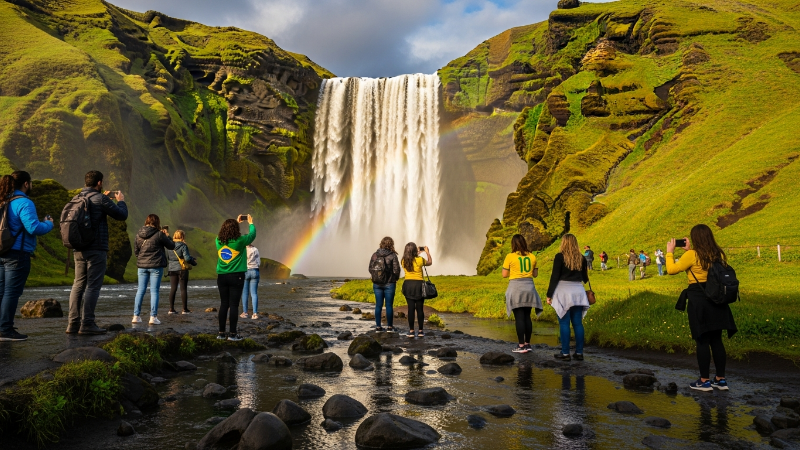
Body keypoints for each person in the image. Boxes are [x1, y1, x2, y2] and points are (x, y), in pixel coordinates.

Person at [666, 224, 737, 391]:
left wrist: (670, 252)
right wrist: (689, 251)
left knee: (702, 339)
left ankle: (704, 381)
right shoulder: (717, 253)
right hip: (717, 299)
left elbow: (671, 270)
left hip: (699, 299)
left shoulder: (692, 255)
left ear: (695, 238)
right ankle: (720, 380)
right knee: (717, 340)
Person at [67, 170, 128, 335]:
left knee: (78, 285)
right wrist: (121, 201)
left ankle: (72, 324)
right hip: (96, 248)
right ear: (99, 182)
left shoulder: (76, 198)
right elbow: (121, 215)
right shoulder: (100, 199)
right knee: (93, 286)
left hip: (78, 248)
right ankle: (87, 324)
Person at [0, 171, 54, 341]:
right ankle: (5, 330)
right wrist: (49, 224)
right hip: (17, 254)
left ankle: (2, 327)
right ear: (25, 184)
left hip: (1, 252)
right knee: (11, 293)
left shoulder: (3, 200)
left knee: (1, 291)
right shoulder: (24, 202)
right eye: (30, 183)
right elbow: (34, 228)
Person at [547, 234, 590, 361]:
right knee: (578, 323)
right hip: (578, 291)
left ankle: (565, 353)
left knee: (564, 323)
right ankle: (579, 353)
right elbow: (585, 278)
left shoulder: (559, 257)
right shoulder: (581, 258)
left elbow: (555, 277)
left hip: (563, 291)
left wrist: (549, 295)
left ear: (563, 243)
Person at [216, 214, 256, 341]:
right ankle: (233, 334)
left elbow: (227, 235)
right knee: (234, 305)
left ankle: (221, 333)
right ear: (235, 229)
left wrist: (235, 223)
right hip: (236, 276)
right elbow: (252, 235)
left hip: (221, 276)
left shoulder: (218, 241)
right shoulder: (240, 241)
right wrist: (250, 223)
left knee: (224, 304)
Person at [502, 234, 542, 354]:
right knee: (527, 316)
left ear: (513, 244)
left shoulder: (510, 256)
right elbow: (535, 274)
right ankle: (528, 344)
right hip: (529, 287)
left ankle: (521, 345)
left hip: (516, 288)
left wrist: (515, 271)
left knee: (519, 317)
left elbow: (504, 274)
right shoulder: (532, 256)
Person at [132, 215, 175, 325]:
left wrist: (143, 259)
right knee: (154, 291)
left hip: (142, 266)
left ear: (146, 221)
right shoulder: (160, 234)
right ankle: (153, 317)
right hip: (156, 266)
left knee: (140, 290)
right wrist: (167, 236)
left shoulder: (138, 234)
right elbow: (171, 246)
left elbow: (136, 252)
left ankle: (136, 316)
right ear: (157, 222)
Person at [400, 243, 432, 338]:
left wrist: (416, 252)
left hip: (408, 285)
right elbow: (430, 262)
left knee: (410, 308)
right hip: (419, 285)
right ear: (415, 251)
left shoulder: (403, 261)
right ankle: (421, 331)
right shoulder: (420, 260)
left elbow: (411, 258)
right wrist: (427, 252)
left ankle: (411, 331)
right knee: (419, 308)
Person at [369, 237, 401, 332]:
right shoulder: (393, 255)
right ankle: (390, 327)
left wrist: (376, 277)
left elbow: (370, 269)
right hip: (389, 283)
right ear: (391, 244)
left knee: (378, 305)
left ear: (381, 243)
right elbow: (396, 270)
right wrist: (395, 278)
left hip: (377, 284)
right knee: (389, 305)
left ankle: (378, 327)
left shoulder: (375, 255)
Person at [167, 230, 197, 314]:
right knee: (183, 289)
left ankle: (171, 309)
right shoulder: (183, 246)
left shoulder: (169, 246)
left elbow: (168, 257)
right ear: (182, 236)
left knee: (173, 288)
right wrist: (193, 261)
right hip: (182, 269)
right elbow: (187, 258)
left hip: (172, 269)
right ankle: (184, 309)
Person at [240, 244, 261, 319]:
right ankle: (255, 314)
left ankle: (245, 313)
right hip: (255, 271)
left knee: (245, 293)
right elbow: (258, 262)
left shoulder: (242, 249)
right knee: (254, 293)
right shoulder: (255, 249)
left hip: (245, 271)